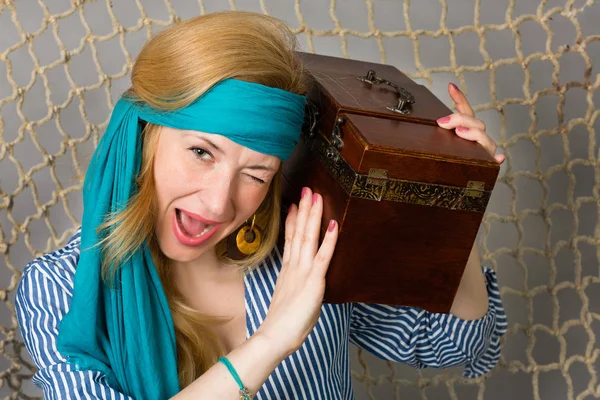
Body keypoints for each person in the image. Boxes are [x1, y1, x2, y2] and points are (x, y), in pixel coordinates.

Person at [15, 10, 507, 400]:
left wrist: (463, 198)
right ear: (145, 134)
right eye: (202, 152)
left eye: (255, 174)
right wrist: (271, 341)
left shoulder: (301, 243)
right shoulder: (57, 288)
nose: (217, 202)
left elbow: (450, 345)